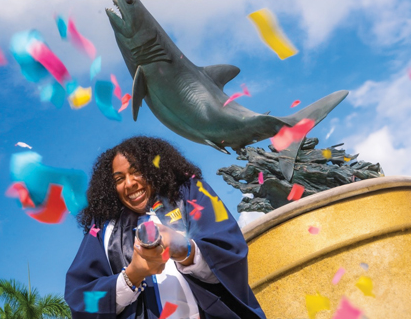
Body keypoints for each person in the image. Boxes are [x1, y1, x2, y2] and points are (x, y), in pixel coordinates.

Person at [65, 136, 266, 319]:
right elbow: (81, 301)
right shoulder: (105, 229)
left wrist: (185, 251)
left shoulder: (188, 195)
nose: (129, 183)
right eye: (119, 179)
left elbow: (232, 254)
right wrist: (132, 275)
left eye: (137, 171)